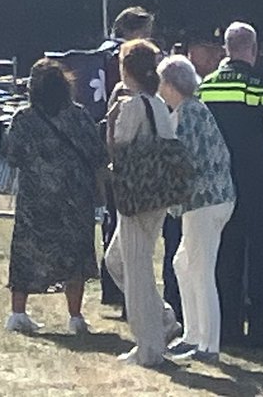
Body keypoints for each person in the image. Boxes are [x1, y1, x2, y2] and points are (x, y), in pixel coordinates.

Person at [198, 21, 263, 350]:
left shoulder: (206, 87)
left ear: (226, 49)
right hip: (259, 184)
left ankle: (228, 326)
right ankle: (260, 327)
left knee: (227, 253)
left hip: (219, 185)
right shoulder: (258, 87)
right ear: (252, 50)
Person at [4, 58, 108, 335]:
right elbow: (98, 154)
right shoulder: (80, 116)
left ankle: (18, 312)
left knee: (27, 253)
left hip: (35, 199)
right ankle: (75, 316)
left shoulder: (23, 119)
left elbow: (13, 157)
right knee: (75, 254)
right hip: (75, 197)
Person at [104, 39, 180, 366]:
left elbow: (117, 146)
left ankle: (148, 347)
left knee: (135, 268)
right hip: (157, 193)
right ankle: (162, 318)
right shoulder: (159, 103)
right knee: (117, 259)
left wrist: (110, 120)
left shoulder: (133, 105)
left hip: (136, 195)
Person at [159, 54, 235, 362]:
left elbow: (181, 160)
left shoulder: (187, 113)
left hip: (204, 202)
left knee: (201, 271)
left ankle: (209, 345)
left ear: (171, 83)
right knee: (182, 263)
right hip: (212, 200)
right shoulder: (192, 109)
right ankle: (192, 335)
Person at [99, 7, 156, 311]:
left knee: (118, 224)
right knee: (119, 226)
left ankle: (119, 291)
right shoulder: (124, 61)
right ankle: (120, 291)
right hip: (125, 156)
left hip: (127, 155)